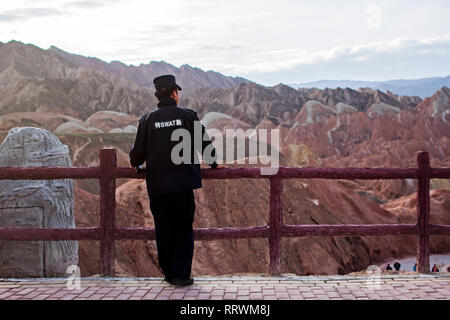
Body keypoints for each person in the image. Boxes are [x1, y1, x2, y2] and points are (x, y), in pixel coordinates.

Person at [129, 75, 222, 286]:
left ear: (157, 95)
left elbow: (137, 156)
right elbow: (204, 145)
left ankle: (169, 274)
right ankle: (181, 275)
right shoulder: (188, 117)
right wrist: (214, 164)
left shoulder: (147, 120)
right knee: (183, 228)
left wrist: (135, 160)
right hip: (182, 185)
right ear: (174, 93)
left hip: (158, 186)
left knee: (163, 229)